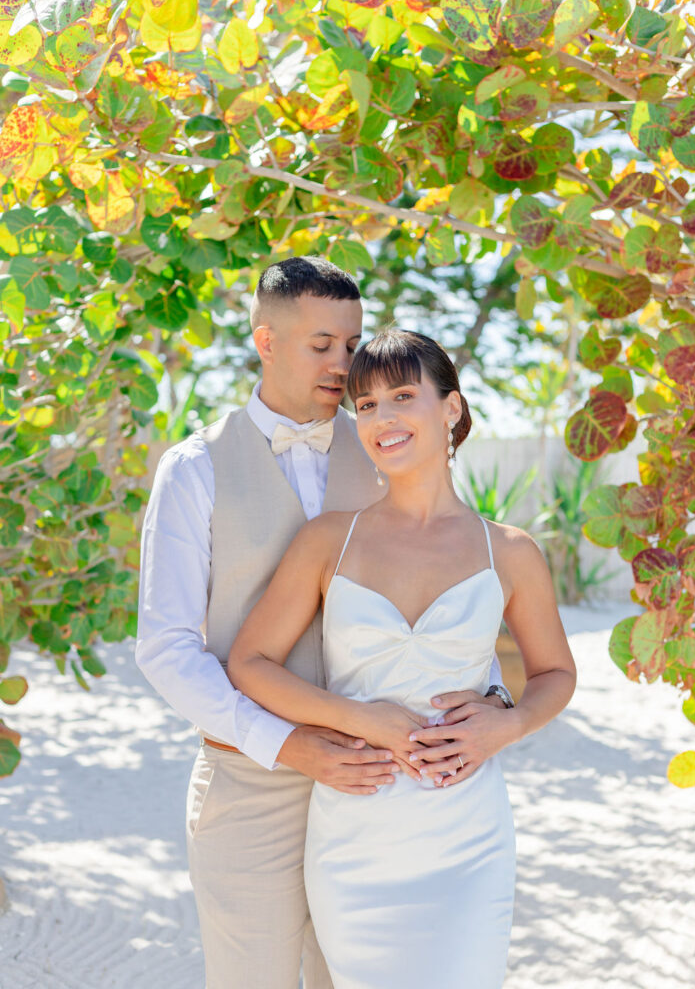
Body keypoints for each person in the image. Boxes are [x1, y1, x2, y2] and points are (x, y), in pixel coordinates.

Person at [136, 259, 511, 989]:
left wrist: (490, 700)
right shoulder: (194, 469)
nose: (345, 366)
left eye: (352, 342)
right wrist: (286, 743)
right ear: (264, 342)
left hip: (389, 793)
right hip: (252, 782)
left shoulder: (385, 448)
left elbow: (455, 579)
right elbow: (167, 650)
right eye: (321, 345)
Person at [227, 328, 577, 989]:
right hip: (356, 835)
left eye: (402, 396)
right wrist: (365, 720)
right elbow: (250, 663)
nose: (382, 418)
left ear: (451, 409)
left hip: (466, 836)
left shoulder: (509, 550)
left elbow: (556, 675)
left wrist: (506, 723)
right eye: (365, 405)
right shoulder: (328, 539)